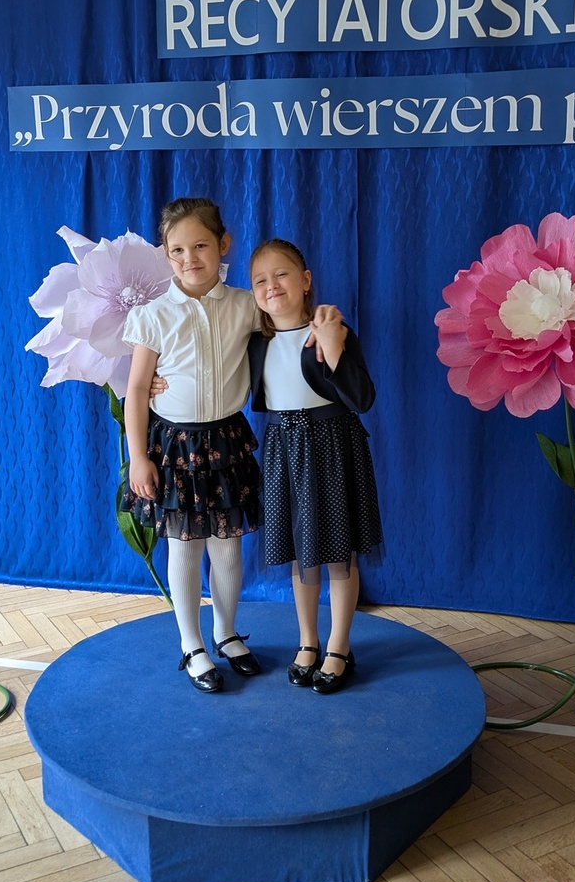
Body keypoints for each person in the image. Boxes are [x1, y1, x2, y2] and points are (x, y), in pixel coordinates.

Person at [122, 198, 262, 692]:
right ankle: (191, 643)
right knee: (184, 545)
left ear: (224, 244)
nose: (189, 258)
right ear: (166, 253)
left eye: (200, 245)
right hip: (175, 447)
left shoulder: (246, 305)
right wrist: (138, 457)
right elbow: (136, 389)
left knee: (227, 546)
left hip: (226, 441)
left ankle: (226, 632)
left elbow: (285, 333)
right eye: (177, 250)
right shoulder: (153, 315)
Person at [247, 239, 383, 694]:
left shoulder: (332, 329)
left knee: (339, 554)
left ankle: (339, 646)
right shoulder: (255, 343)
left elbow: (362, 398)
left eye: (281, 274)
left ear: (305, 280)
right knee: (300, 553)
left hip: (333, 446)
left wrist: (332, 344)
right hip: (284, 451)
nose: (271, 286)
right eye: (260, 280)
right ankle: (308, 641)